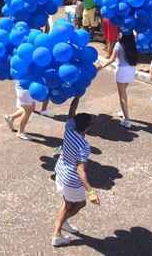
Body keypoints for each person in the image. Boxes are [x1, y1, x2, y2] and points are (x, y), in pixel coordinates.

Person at [51, 97, 99, 247]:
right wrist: (91, 192)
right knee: (77, 204)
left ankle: (63, 224)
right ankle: (57, 234)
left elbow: (72, 111)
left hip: (60, 173)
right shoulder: (84, 146)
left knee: (68, 203)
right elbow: (81, 171)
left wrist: (77, 96)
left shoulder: (69, 129)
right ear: (86, 129)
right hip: (71, 180)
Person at [98, 32, 138, 128]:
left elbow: (111, 60)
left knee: (122, 96)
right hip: (131, 70)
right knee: (124, 92)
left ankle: (127, 120)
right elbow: (135, 34)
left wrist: (99, 67)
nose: (119, 34)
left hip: (122, 71)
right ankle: (123, 111)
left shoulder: (118, 45)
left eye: (121, 33)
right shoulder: (133, 43)